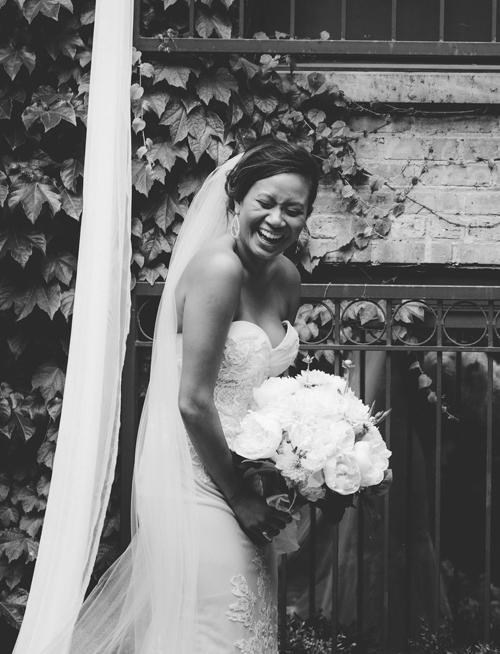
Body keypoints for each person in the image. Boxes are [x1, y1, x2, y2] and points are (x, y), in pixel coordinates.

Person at [29, 139, 321, 654]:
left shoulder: (286, 279)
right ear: (236, 200)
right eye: (266, 203)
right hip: (196, 483)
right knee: (216, 633)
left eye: (294, 210)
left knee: (244, 631)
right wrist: (240, 496)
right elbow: (193, 400)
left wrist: (297, 460)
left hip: (244, 480)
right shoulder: (218, 269)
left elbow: (265, 394)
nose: (277, 219)